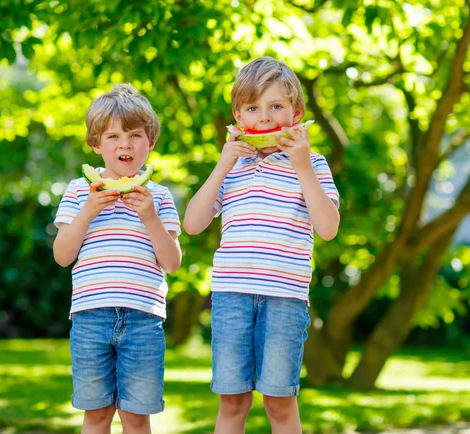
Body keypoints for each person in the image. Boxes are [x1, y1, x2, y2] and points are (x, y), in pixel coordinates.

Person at [183, 57, 340, 434]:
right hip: (231, 296)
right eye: (253, 108)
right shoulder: (232, 167)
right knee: (233, 401)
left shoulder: (313, 165)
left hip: (285, 297)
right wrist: (222, 164)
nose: (265, 118)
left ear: (296, 112)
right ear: (238, 117)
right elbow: (192, 223)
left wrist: (301, 165)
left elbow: (329, 228)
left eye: (276, 107)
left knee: (280, 403)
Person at [53, 83, 182, 434]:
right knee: (96, 415)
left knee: (136, 418)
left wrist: (151, 219)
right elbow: (63, 256)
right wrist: (86, 213)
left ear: (150, 142)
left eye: (135, 135)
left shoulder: (158, 196)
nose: (124, 143)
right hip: (90, 318)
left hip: (143, 320)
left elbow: (172, 263)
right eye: (113, 136)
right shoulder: (80, 192)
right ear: (96, 144)